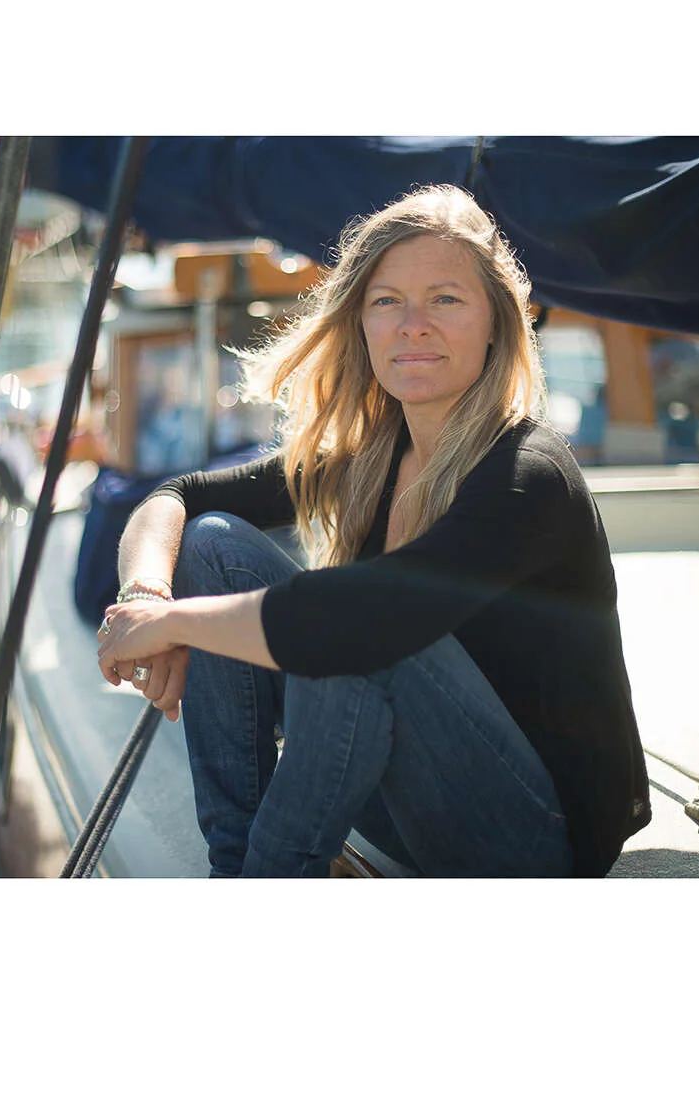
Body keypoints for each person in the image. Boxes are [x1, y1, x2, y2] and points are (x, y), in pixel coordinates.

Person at [96, 184, 651, 878]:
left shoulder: (527, 474)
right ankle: (234, 864)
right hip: (412, 800)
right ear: (360, 322)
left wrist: (176, 626)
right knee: (212, 543)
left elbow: (366, 619)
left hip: (535, 837)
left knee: (358, 627)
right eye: (388, 301)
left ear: (496, 323)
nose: (413, 325)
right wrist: (146, 598)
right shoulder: (374, 456)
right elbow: (175, 498)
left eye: (445, 299)